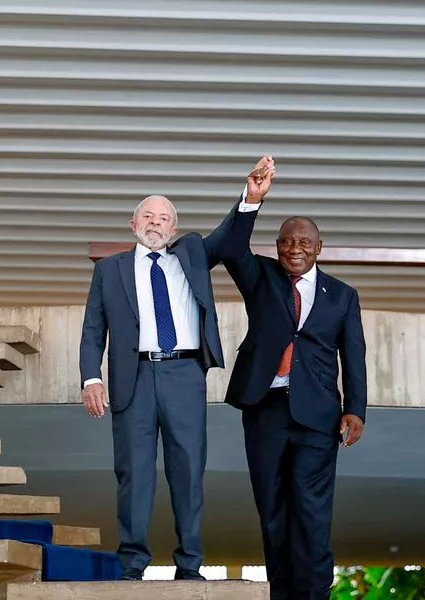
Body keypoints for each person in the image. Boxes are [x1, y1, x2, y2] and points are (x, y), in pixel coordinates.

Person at [79, 156, 275, 580]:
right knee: (134, 472)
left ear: (174, 227)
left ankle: (189, 565)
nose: (156, 222)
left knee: (188, 471)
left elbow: (228, 237)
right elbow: (94, 327)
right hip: (133, 377)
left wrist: (250, 199)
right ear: (133, 225)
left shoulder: (192, 254)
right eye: (148, 215)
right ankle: (132, 565)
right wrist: (91, 376)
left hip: (184, 375)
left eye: (164, 217)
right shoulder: (110, 270)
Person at [222, 206, 368, 599]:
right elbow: (231, 246)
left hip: (318, 415)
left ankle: (315, 592)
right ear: (277, 246)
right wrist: (250, 202)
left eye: (304, 242)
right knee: (272, 511)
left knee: (312, 511)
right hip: (264, 408)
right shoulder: (261, 277)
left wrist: (355, 408)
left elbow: (353, 355)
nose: (294, 248)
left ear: (319, 248)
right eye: (286, 241)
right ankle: (282, 593)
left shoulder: (342, 295)